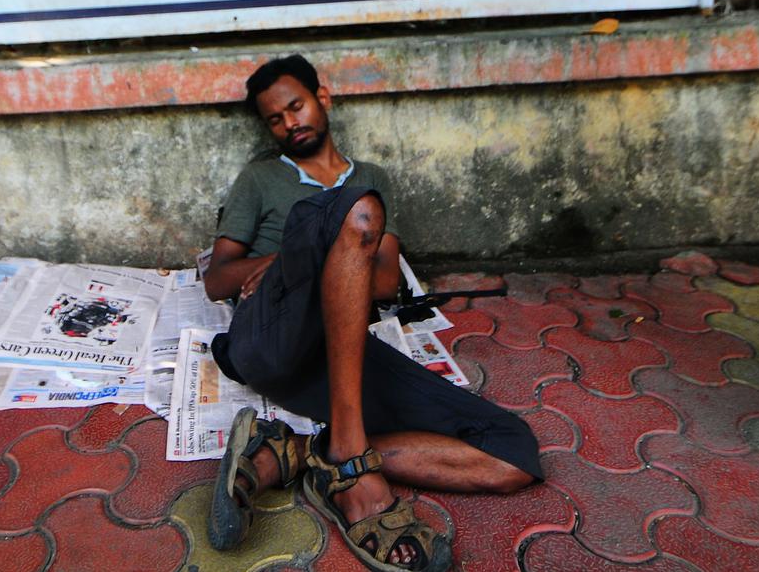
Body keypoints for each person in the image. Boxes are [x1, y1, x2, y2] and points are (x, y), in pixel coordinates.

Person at [205, 55, 541, 572]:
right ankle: (349, 465)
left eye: (296, 106)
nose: (290, 123)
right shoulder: (261, 179)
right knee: (343, 214)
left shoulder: (371, 181)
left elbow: (384, 279)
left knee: (513, 454)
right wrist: (284, 259)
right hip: (270, 333)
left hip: (340, 348)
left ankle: (305, 452)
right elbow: (218, 277)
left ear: (324, 97)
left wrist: (337, 244)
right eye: (275, 118)